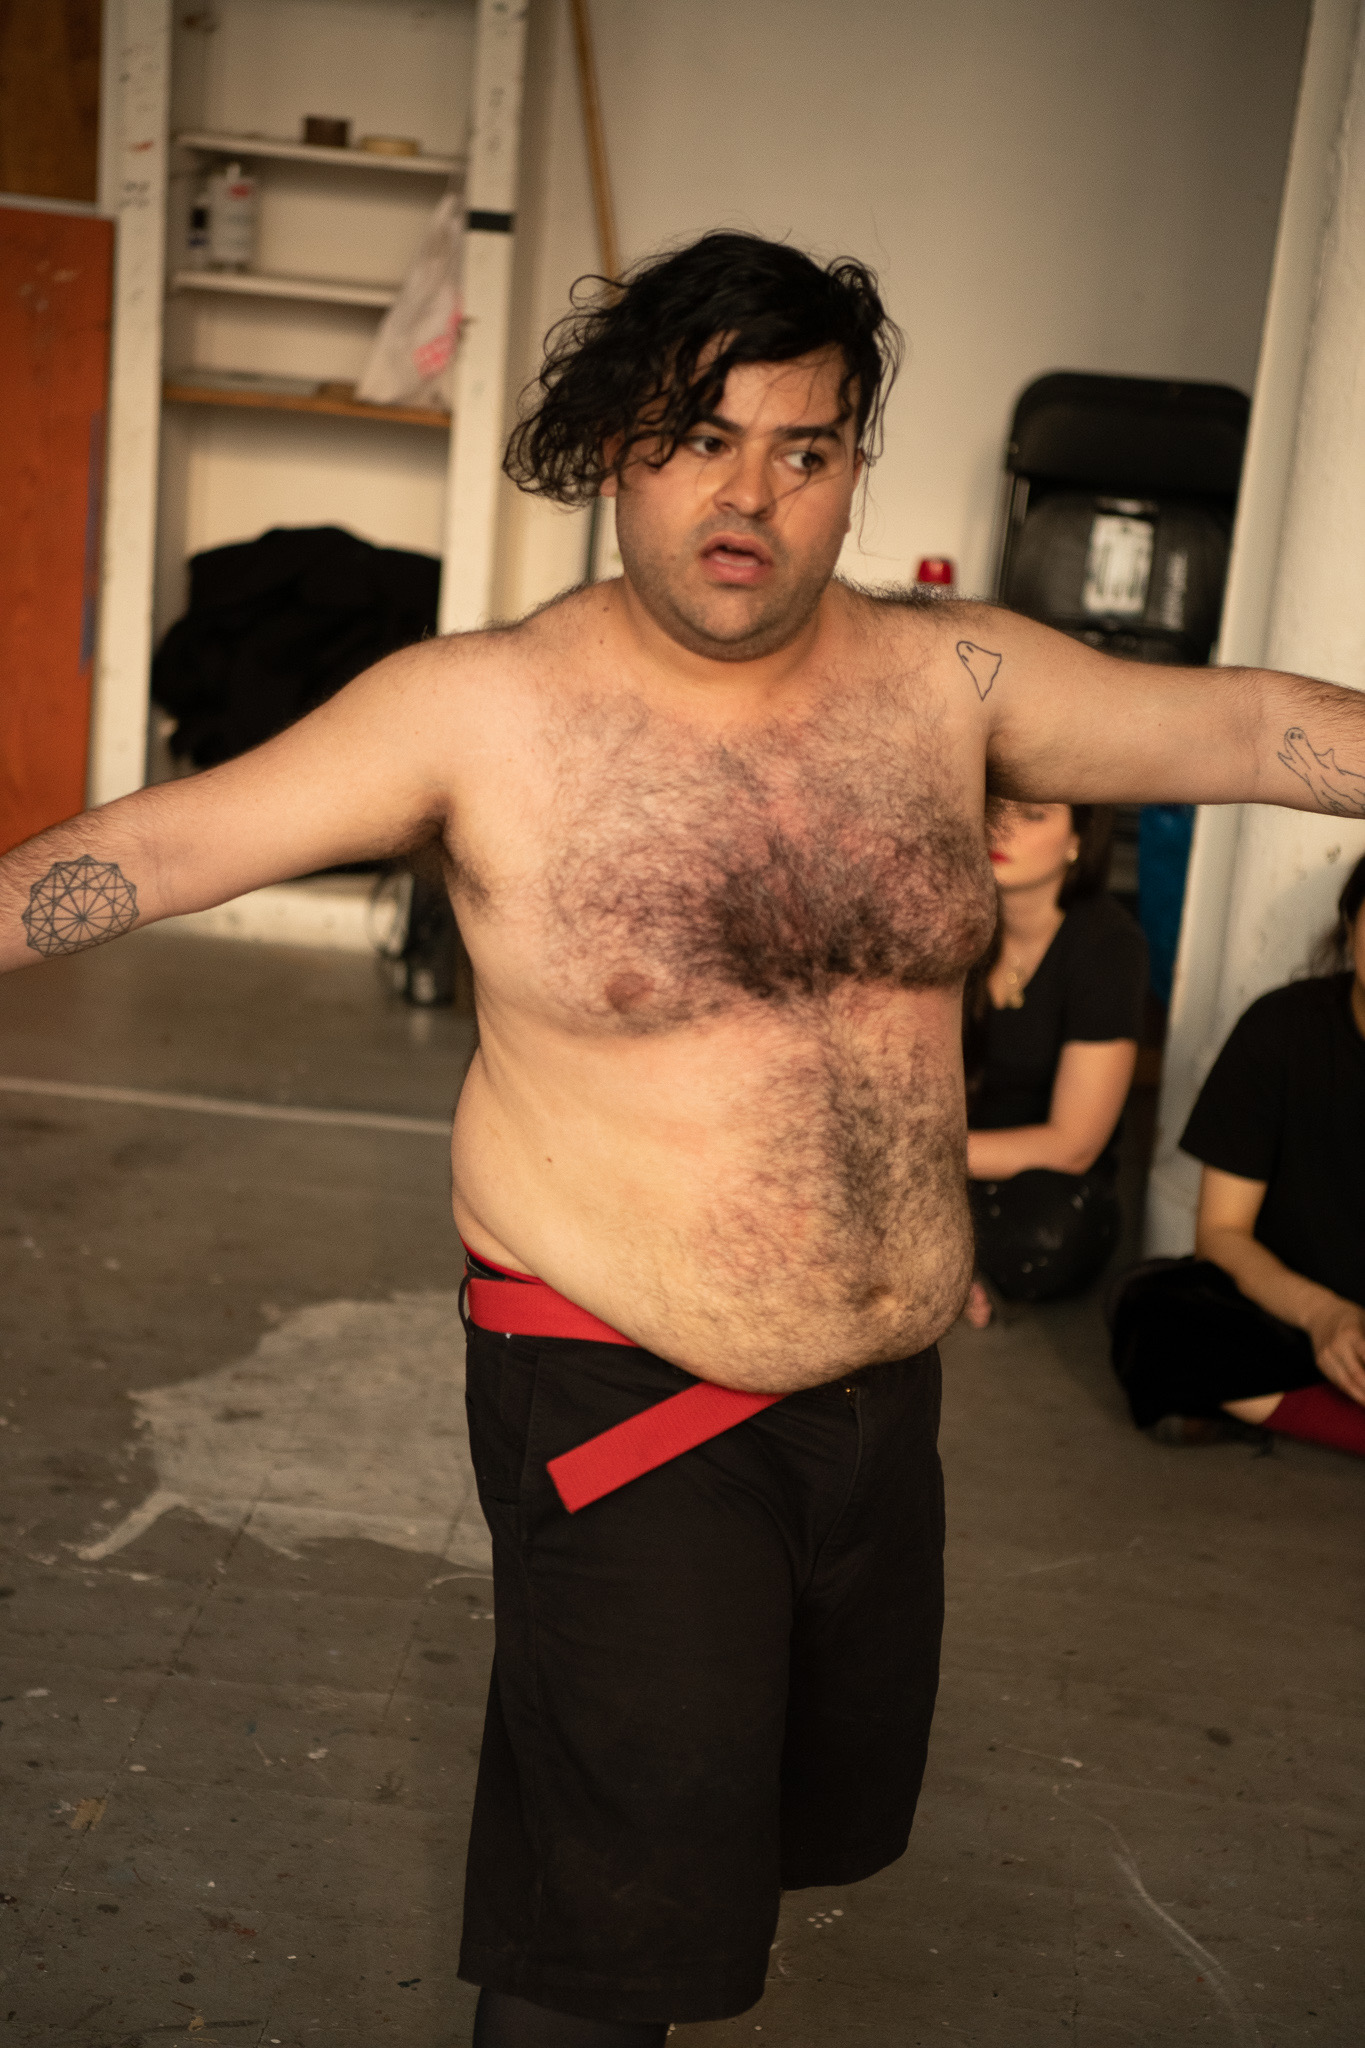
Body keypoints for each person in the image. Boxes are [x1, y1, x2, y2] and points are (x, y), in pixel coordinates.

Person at [5, 232, 1365, 2045]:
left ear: (853, 469)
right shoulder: (479, 711)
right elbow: (160, 846)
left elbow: (1256, 725)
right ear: (612, 449)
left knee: (768, 1831)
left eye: (805, 450)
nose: (751, 496)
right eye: (700, 438)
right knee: (606, 1930)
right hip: (624, 1398)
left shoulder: (948, 681)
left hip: (879, 1411)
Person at [1110, 852, 1365, 1457]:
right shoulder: (1282, 1028)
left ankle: (1296, 1410)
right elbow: (1222, 1233)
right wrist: (1324, 1315)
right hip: (1297, 1308)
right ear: (1350, 922)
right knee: (1151, 1309)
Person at [961, 799, 1145, 1326]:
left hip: (1035, 1177)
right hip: (943, 1158)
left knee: (1055, 1233)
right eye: (995, 808)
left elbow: (1073, 1144)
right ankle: (946, 1256)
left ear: (1078, 841)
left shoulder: (1108, 945)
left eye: (1033, 815)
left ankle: (943, 1255)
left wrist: (921, 1156)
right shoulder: (948, 917)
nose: (1001, 828)